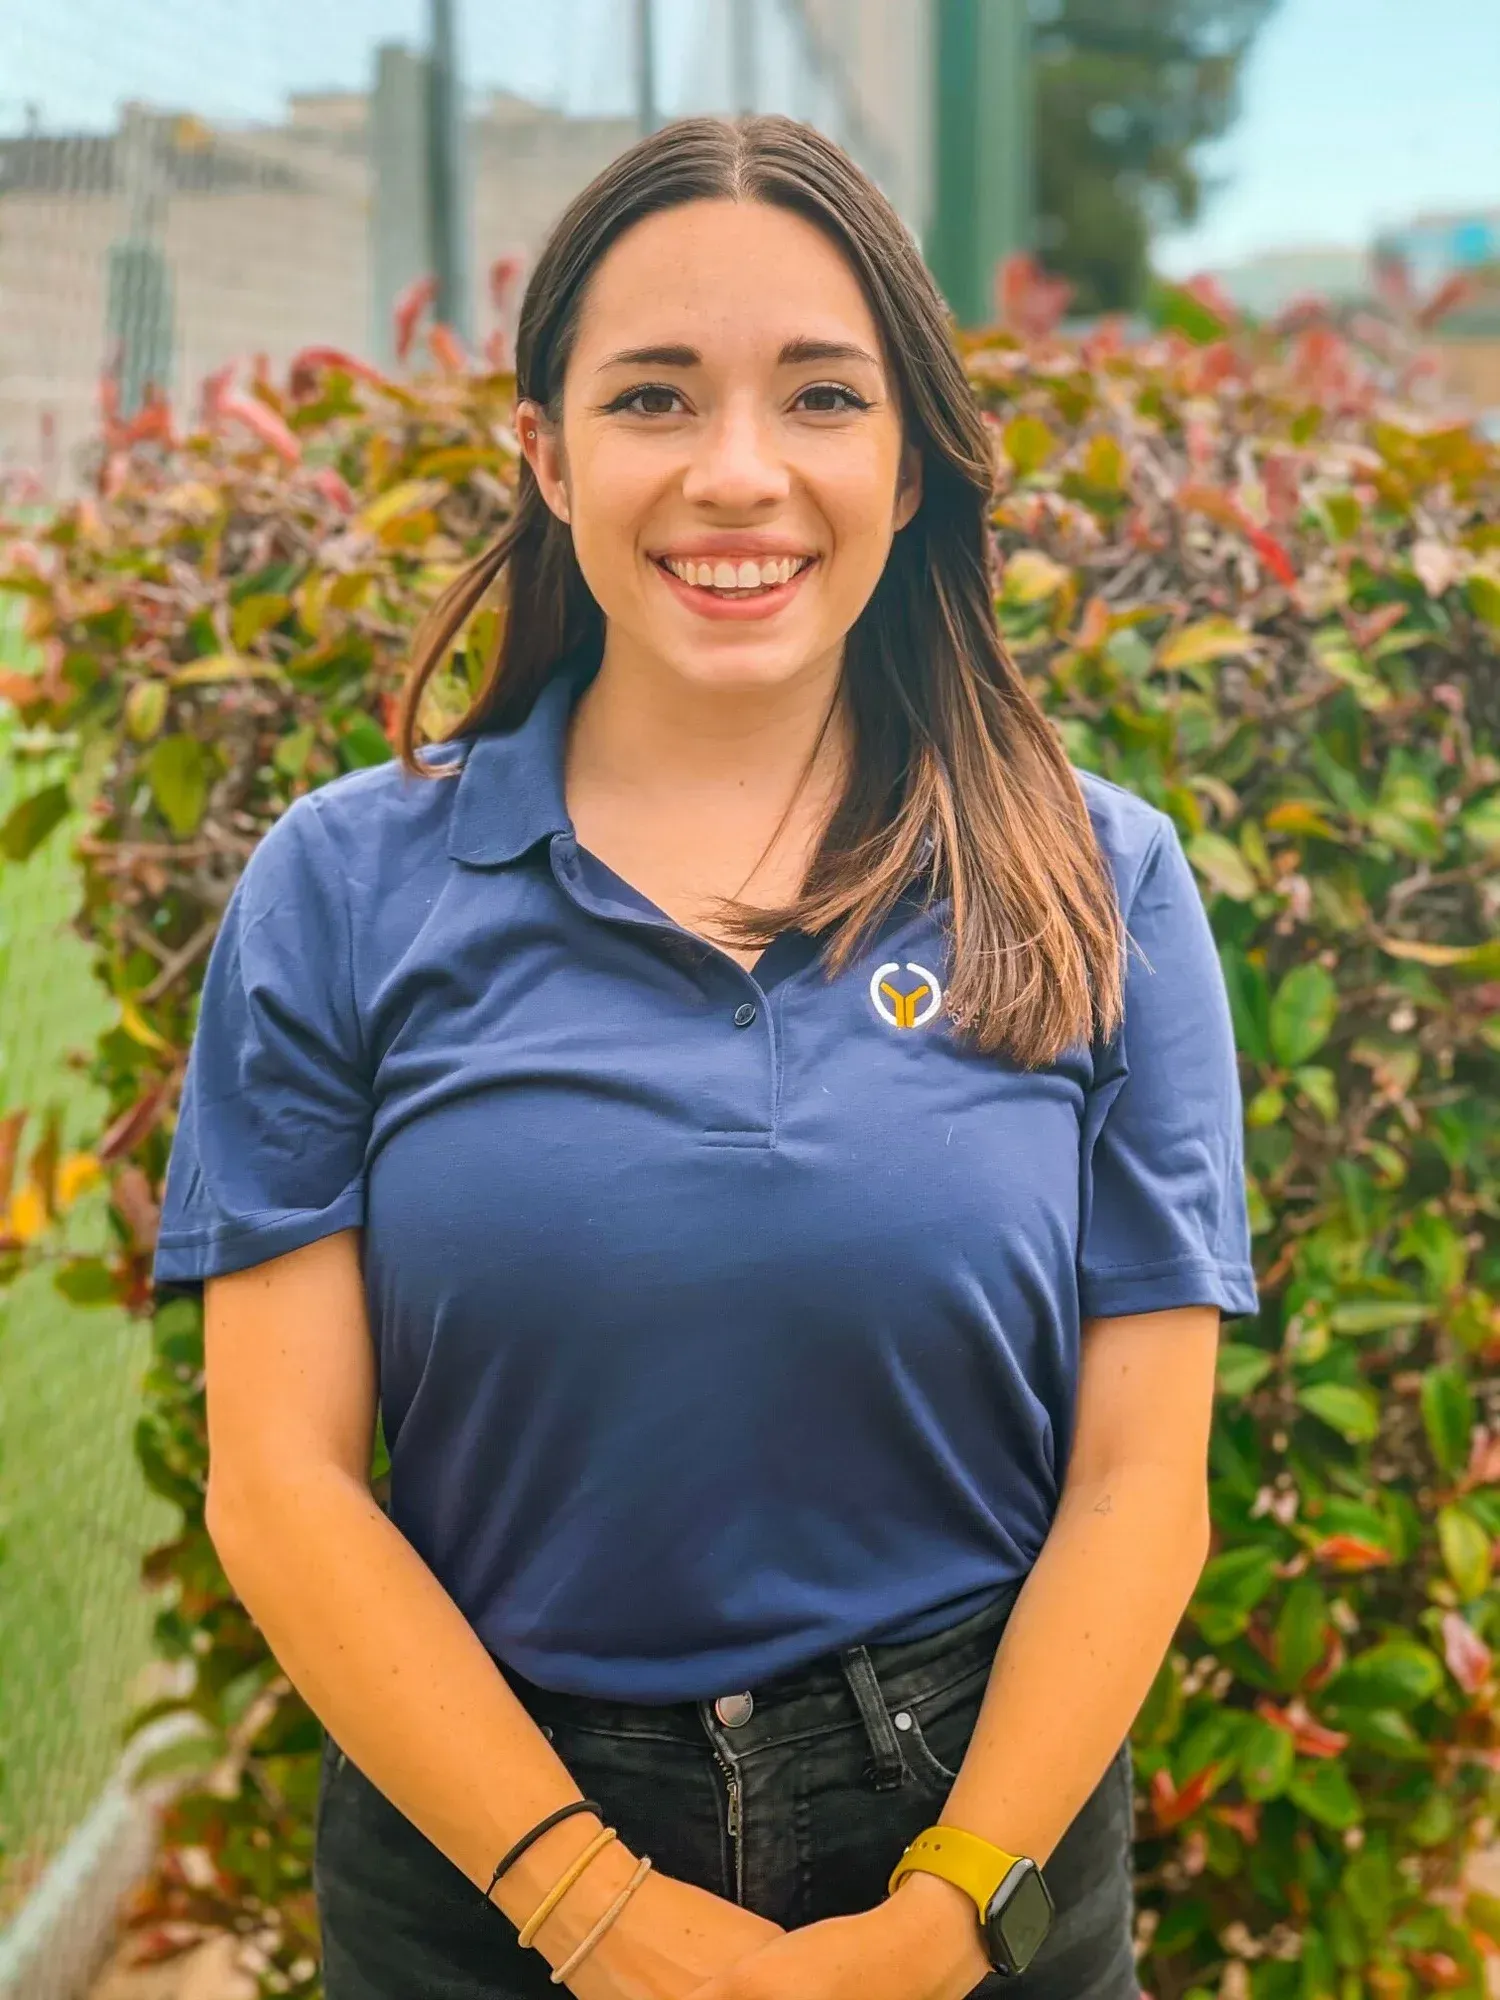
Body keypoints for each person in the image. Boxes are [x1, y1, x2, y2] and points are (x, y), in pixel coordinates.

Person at [153, 113, 1257, 2000]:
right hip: (481, 1861)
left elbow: (1140, 1482)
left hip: (980, 1836)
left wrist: (946, 1914)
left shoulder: (1101, 881)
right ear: (547, 453)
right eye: (654, 398)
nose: (737, 474)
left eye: (822, 396)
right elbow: (280, 1479)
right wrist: (590, 1905)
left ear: (907, 465)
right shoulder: (338, 887)